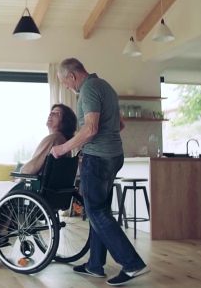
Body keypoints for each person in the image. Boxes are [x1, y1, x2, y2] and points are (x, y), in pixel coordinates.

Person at [50, 58, 149, 286]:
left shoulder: (89, 89)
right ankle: (95, 265)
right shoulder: (106, 87)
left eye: (65, 81)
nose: (66, 86)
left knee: (96, 211)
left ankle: (132, 263)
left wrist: (64, 148)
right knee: (100, 210)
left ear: (72, 76)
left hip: (97, 158)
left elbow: (91, 128)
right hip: (114, 156)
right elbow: (120, 125)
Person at [0, 103, 77, 262]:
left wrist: (20, 176)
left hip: (36, 188)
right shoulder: (63, 141)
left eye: (56, 113)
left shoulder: (53, 138)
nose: (51, 114)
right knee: (2, 192)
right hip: (52, 191)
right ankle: (2, 230)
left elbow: (32, 167)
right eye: (51, 112)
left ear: (65, 121)